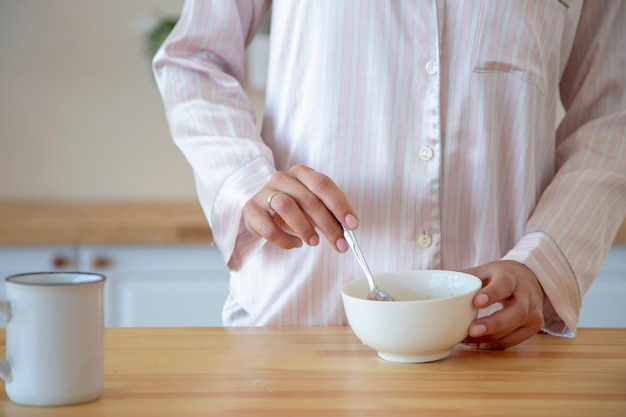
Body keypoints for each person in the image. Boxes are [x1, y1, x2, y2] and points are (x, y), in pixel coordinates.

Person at [153, 1, 625, 349]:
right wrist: (243, 176)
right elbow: (196, 57)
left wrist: (541, 265)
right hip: (293, 336)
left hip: (489, 342)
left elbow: (612, 112)